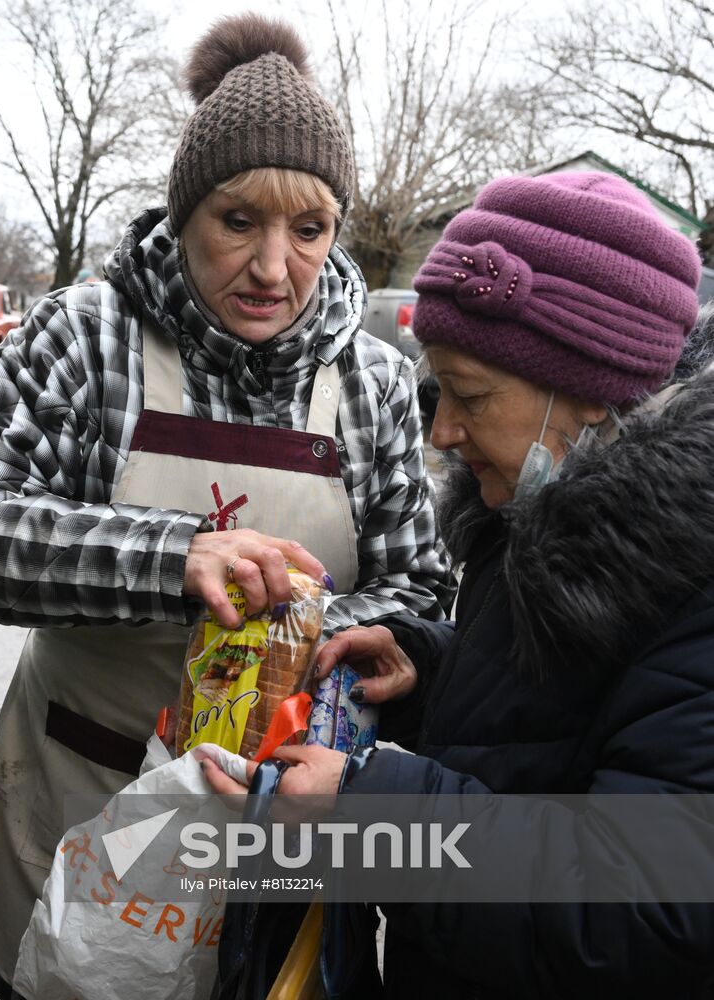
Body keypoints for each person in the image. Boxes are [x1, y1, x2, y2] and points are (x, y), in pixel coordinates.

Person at [0, 14, 455, 995]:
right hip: (81, 788)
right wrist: (172, 559)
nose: (274, 266)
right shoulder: (85, 336)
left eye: (308, 228)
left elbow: (418, 586)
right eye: (239, 220)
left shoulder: (369, 381)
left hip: (276, 814)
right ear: (186, 211)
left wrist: (296, 632)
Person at [203, 170, 712, 997]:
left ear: (591, 391)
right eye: (436, 390)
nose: (441, 432)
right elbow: (563, 717)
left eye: (469, 396)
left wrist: (373, 815)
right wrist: (431, 673)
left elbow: (652, 902)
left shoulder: (695, 581)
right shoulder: (547, 506)